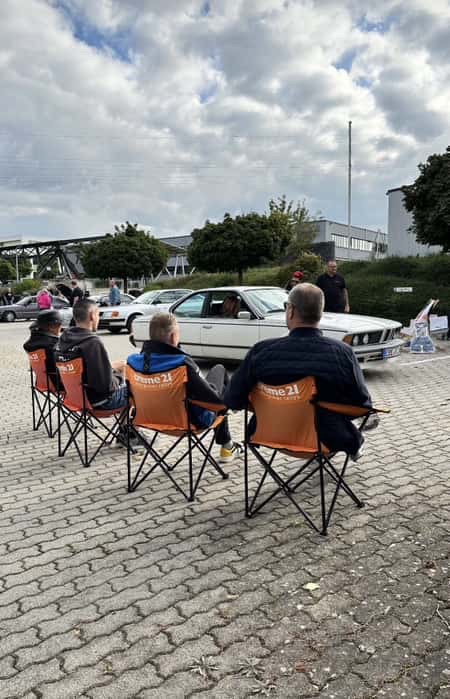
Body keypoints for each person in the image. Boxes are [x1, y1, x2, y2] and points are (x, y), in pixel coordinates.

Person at [224, 283, 372, 458]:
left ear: (291, 310)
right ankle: (353, 447)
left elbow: (233, 399)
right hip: (326, 440)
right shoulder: (342, 353)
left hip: (268, 433)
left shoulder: (261, 351)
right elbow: (362, 404)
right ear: (321, 313)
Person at [127, 312, 243, 463]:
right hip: (190, 422)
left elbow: (129, 396)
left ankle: (228, 444)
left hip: (149, 419)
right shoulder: (181, 363)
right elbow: (213, 400)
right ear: (173, 336)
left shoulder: (133, 362)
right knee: (219, 371)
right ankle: (228, 443)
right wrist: (227, 402)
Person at [56, 299, 128, 411]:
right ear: (92, 316)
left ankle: (125, 422)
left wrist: (110, 369)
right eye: (98, 315)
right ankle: (128, 422)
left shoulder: (63, 340)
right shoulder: (92, 342)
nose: (98, 319)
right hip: (99, 401)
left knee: (117, 367)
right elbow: (105, 386)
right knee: (137, 390)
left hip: (75, 398)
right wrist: (119, 376)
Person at [23, 310, 63, 387]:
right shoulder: (53, 345)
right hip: (59, 385)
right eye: (60, 325)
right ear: (52, 327)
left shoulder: (30, 343)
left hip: (42, 382)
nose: (61, 328)